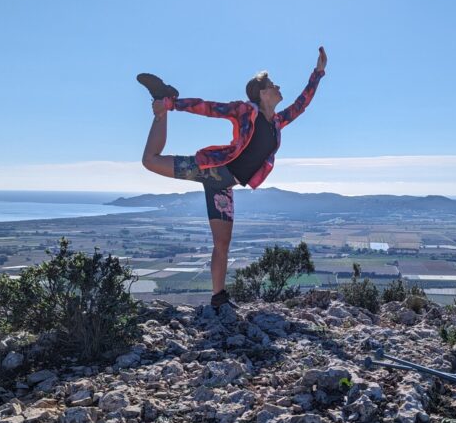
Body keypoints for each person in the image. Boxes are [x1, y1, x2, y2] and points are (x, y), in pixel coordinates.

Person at [138, 46, 327, 308]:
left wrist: (318, 73)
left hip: (225, 185)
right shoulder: (245, 111)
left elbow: (301, 104)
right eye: (273, 84)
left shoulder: (276, 122)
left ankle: (219, 298)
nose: (278, 86)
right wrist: (171, 104)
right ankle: (160, 106)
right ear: (262, 93)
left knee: (222, 243)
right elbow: (209, 108)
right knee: (150, 161)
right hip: (213, 169)